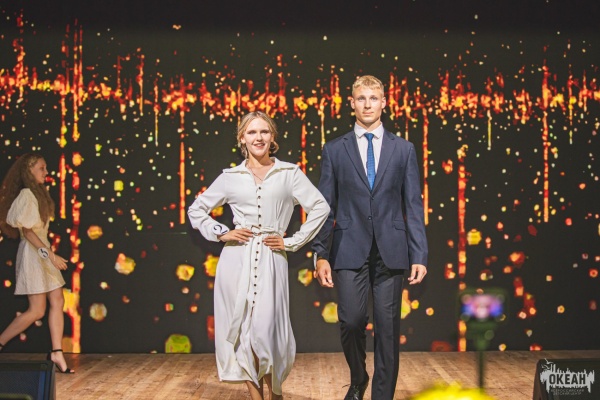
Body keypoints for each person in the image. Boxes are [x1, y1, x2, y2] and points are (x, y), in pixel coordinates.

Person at [188, 111, 329, 400]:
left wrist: (292, 241)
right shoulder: (231, 177)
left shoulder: (289, 173)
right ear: (242, 138)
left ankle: (275, 393)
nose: (258, 138)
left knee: (266, 333)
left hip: (271, 257)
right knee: (243, 333)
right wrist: (221, 232)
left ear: (272, 137)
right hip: (235, 261)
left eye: (264, 132)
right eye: (252, 132)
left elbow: (320, 207)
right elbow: (196, 209)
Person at [311, 75, 428, 400]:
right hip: (348, 248)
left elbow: (413, 204)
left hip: (391, 250)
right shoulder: (335, 149)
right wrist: (320, 253)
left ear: (384, 103)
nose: (367, 104)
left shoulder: (403, 149)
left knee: (387, 330)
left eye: (373, 98)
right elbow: (325, 205)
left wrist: (419, 254)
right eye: (361, 98)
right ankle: (358, 376)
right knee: (351, 321)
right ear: (351, 103)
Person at [0, 153, 74, 374]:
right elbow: (29, 233)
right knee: (36, 310)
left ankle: (57, 352)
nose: (46, 172)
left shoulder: (38, 194)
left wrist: (49, 254)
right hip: (34, 254)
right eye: (41, 168)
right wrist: (50, 256)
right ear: (29, 170)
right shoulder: (27, 195)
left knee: (57, 299)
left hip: (42, 251)